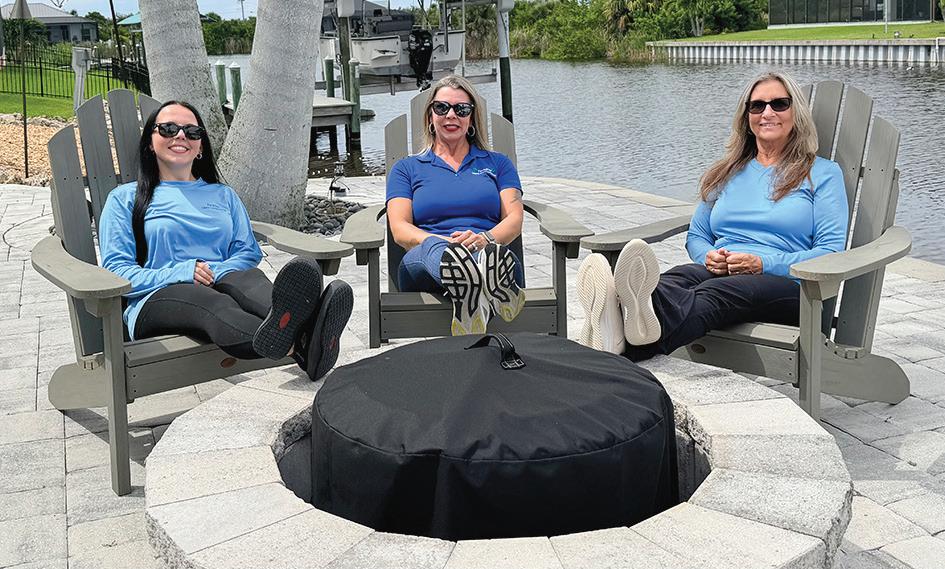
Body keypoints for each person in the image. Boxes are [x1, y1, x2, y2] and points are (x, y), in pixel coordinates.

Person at [577, 71, 849, 359]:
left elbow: (830, 252)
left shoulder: (822, 173)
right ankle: (620, 327)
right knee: (675, 280)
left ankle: (617, 339)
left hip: (791, 288)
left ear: (797, 113)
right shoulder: (728, 172)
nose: (767, 113)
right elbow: (698, 234)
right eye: (757, 106)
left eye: (779, 104)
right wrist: (707, 256)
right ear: (746, 117)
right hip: (722, 271)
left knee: (717, 293)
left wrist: (762, 263)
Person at [98, 100, 353, 381]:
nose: (180, 135)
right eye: (168, 129)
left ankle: (305, 344)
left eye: (192, 131)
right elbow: (116, 272)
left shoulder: (223, 195)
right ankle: (304, 343)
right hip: (156, 298)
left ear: (200, 147)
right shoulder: (124, 199)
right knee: (211, 301)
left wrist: (214, 271)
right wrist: (183, 272)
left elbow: (247, 251)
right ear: (150, 141)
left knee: (251, 280)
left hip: (223, 280)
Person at [386, 75, 526, 336]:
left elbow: (514, 219)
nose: (451, 115)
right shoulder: (406, 169)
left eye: (461, 109)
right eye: (442, 108)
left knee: (494, 256)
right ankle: (476, 277)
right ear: (430, 116)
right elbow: (399, 229)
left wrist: (484, 240)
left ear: (471, 118)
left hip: (486, 249)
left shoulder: (498, 164)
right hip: (425, 263)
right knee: (439, 252)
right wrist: (442, 243)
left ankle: (476, 281)